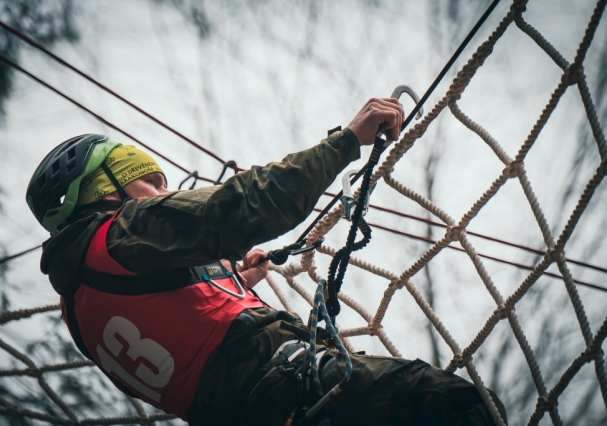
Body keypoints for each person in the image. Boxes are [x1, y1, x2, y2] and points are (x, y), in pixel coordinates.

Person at [26, 98, 507, 426]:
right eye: (150, 183)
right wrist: (346, 142)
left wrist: (231, 280)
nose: (162, 193)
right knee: (457, 405)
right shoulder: (122, 232)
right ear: (103, 187)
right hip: (288, 378)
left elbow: (174, 332)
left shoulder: (78, 303)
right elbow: (245, 204)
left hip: (246, 410)